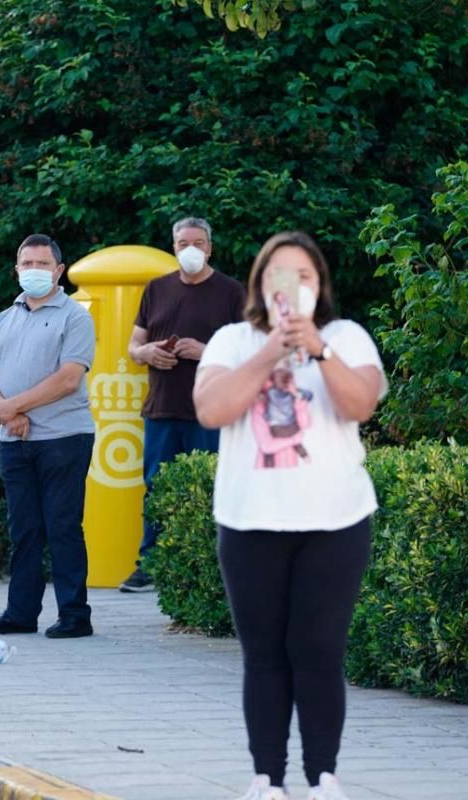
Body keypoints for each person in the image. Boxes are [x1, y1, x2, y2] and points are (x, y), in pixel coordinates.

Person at [193, 231, 386, 800]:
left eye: (303, 276)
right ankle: (267, 778)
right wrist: (271, 350)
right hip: (251, 522)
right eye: (279, 276)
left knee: (319, 649)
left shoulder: (347, 336)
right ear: (259, 285)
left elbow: (361, 404)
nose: (291, 288)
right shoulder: (232, 341)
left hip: (335, 524)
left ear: (320, 285)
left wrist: (318, 350)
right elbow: (211, 409)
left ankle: (323, 776)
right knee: (264, 653)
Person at [0, 234, 96, 639]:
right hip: (15, 439)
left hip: (63, 437)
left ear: (59, 271)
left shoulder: (74, 317)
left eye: (43, 264)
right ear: (17, 269)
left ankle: (75, 615)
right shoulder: (1, 321)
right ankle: (20, 612)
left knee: (62, 525)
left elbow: (67, 379)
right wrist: (6, 413)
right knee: (22, 528)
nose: (34, 271)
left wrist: (14, 408)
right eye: (27, 264)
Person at [121, 216, 245, 593]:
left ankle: (211, 569)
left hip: (210, 410)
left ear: (210, 247)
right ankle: (151, 564)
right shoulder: (155, 289)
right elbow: (133, 346)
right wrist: (147, 353)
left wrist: (207, 352)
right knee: (157, 487)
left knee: (209, 487)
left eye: (198, 242)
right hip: (161, 408)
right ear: (173, 247)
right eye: (182, 242)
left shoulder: (231, 292)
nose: (190, 249)